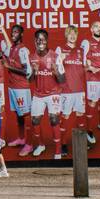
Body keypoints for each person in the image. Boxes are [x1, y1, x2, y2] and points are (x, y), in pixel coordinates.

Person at [25, 28, 65, 159]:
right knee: (35, 120)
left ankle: (58, 151)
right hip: (38, 94)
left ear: (47, 41)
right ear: (35, 41)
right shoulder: (31, 57)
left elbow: (62, 79)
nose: (40, 41)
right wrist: (34, 72)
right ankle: (41, 145)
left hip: (53, 93)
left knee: (54, 119)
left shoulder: (55, 56)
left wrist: (56, 72)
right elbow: (30, 80)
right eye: (38, 39)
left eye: (43, 39)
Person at [57, 26, 89, 150]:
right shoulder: (61, 49)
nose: (72, 36)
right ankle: (63, 144)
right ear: (66, 35)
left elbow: (84, 68)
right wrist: (60, 59)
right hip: (66, 90)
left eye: (74, 34)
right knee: (65, 116)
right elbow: (56, 67)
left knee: (80, 115)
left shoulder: (81, 50)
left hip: (79, 90)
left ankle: (81, 143)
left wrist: (89, 66)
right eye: (70, 34)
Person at [4, 23, 33, 149]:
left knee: (26, 115)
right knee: (18, 114)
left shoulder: (23, 50)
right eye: (12, 32)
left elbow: (27, 71)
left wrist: (8, 67)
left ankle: (29, 143)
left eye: (16, 32)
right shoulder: (12, 49)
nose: (13, 34)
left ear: (21, 34)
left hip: (21, 87)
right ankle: (21, 139)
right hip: (13, 87)